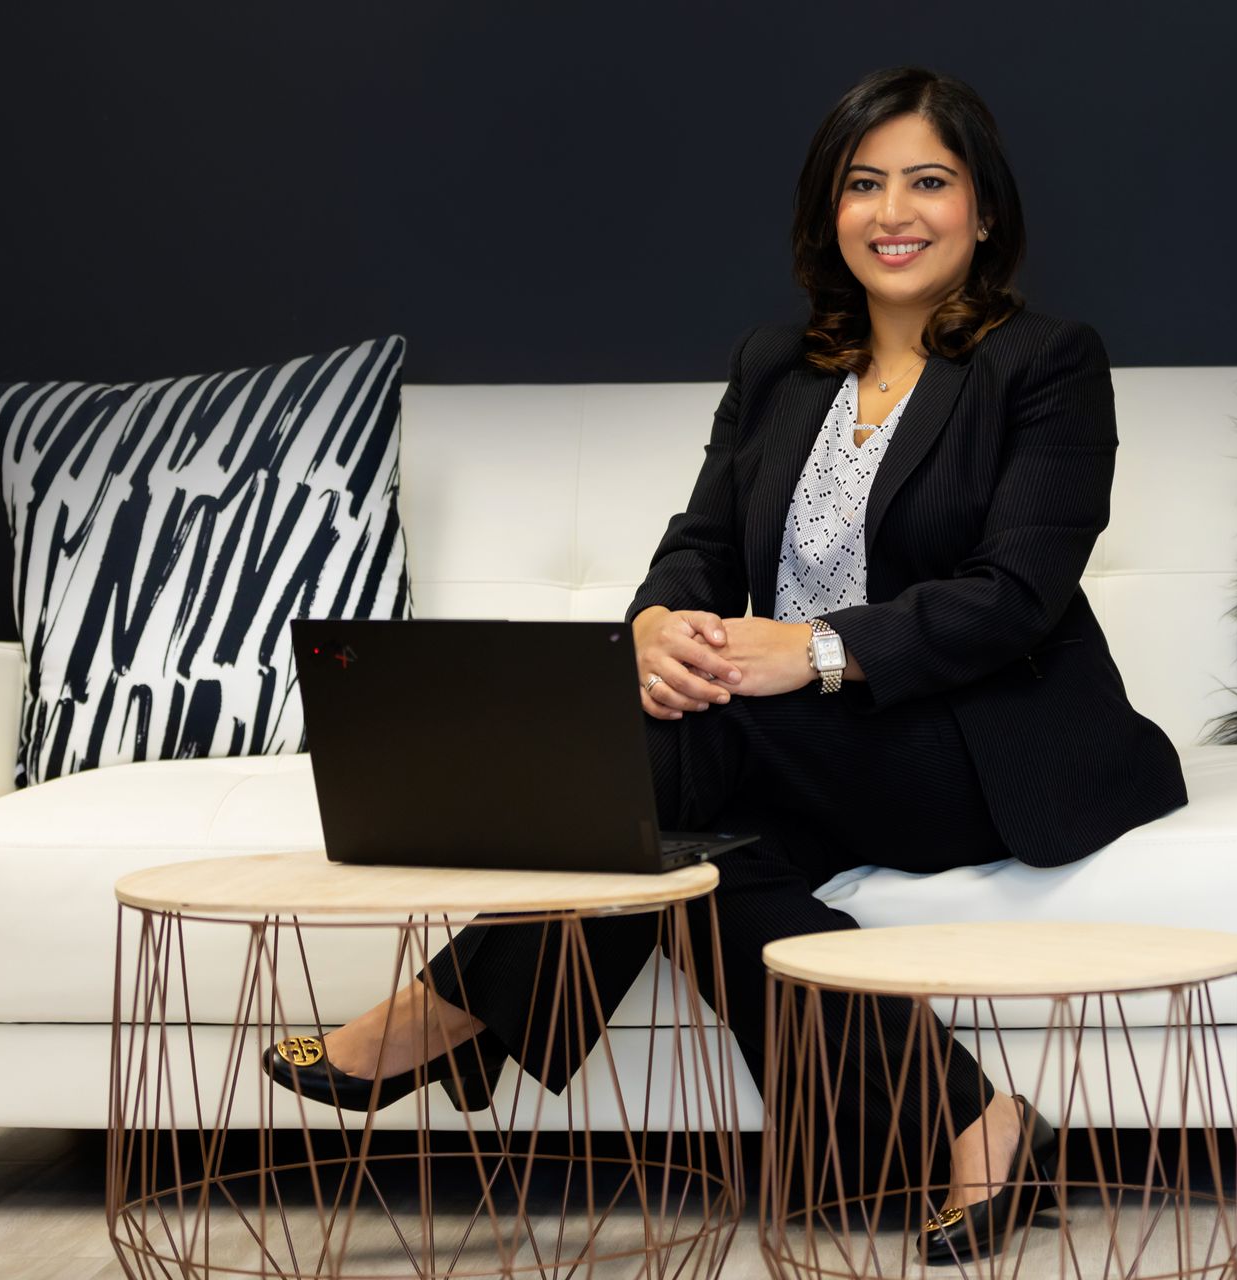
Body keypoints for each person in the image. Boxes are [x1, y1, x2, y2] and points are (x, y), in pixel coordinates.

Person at [263, 63, 1188, 1261]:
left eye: (928, 182)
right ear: (828, 210)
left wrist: (805, 649)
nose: (893, 211)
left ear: (984, 211)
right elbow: (698, 545)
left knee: (675, 743)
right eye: (864, 183)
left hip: (973, 734)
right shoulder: (776, 367)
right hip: (794, 751)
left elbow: (1014, 596)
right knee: (701, 868)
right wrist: (656, 626)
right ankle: (981, 1116)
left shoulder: (1049, 364)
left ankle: (443, 1011)